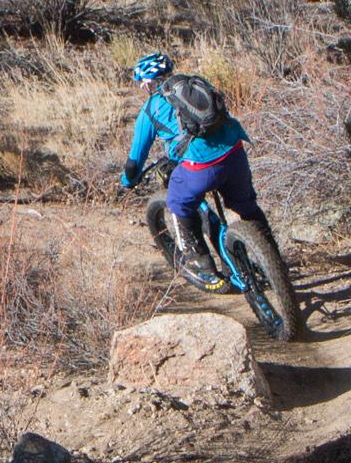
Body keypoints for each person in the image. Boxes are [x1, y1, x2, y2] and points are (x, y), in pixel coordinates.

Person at [118, 52, 277, 291]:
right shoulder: (197, 83)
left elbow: (134, 162)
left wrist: (127, 182)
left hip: (200, 166)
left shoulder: (151, 108)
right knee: (246, 206)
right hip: (235, 151)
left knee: (177, 202)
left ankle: (204, 267)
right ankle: (274, 263)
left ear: (149, 83)